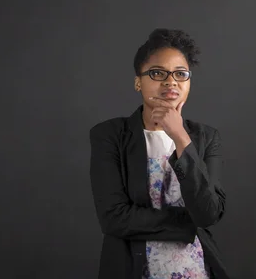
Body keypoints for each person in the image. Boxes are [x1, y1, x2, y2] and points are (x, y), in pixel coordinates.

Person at [89, 28, 230, 279]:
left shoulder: (206, 138)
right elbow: (114, 219)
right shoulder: (109, 135)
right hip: (132, 269)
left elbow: (208, 212)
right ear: (137, 81)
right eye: (157, 73)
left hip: (196, 270)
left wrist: (180, 137)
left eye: (180, 74)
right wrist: (187, 224)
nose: (170, 81)